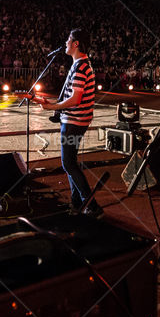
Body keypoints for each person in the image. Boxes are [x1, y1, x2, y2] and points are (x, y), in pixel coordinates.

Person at [33, 28, 102, 217]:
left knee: (68, 164)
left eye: (68, 40)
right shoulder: (80, 65)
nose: (65, 43)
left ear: (76, 43)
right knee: (70, 162)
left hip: (74, 121)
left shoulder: (80, 67)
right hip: (75, 120)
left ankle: (91, 205)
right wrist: (52, 104)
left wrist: (52, 108)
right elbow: (72, 96)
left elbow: (75, 99)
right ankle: (77, 202)